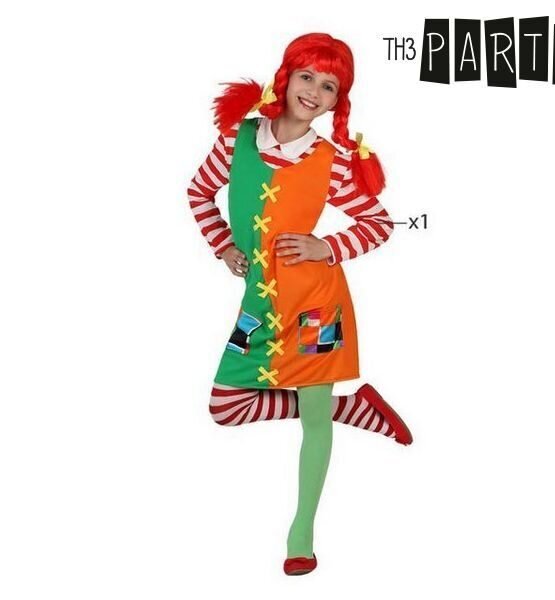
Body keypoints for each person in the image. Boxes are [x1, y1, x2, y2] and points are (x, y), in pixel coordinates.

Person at [187, 32, 413, 576]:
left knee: (313, 417)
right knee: (225, 406)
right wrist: (223, 245)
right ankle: (352, 409)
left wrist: (325, 246)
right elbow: (198, 192)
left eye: (329, 86)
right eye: (307, 76)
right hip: (261, 303)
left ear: (337, 101)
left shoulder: (332, 162)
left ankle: (301, 533)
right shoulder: (236, 138)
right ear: (286, 78)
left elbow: (379, 223)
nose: (314, 91)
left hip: (317, 304)